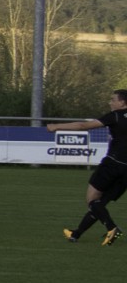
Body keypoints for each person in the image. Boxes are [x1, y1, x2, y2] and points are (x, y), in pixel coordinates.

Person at [45, 89, 127, 246]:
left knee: (92, 200)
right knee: (100, 205)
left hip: (112, 164)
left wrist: (56, 126)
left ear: (122, 102)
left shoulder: (115, 116)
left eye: (113, 99)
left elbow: (83, 125)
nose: (110, 102)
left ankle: (112, 228)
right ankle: (76, 234)